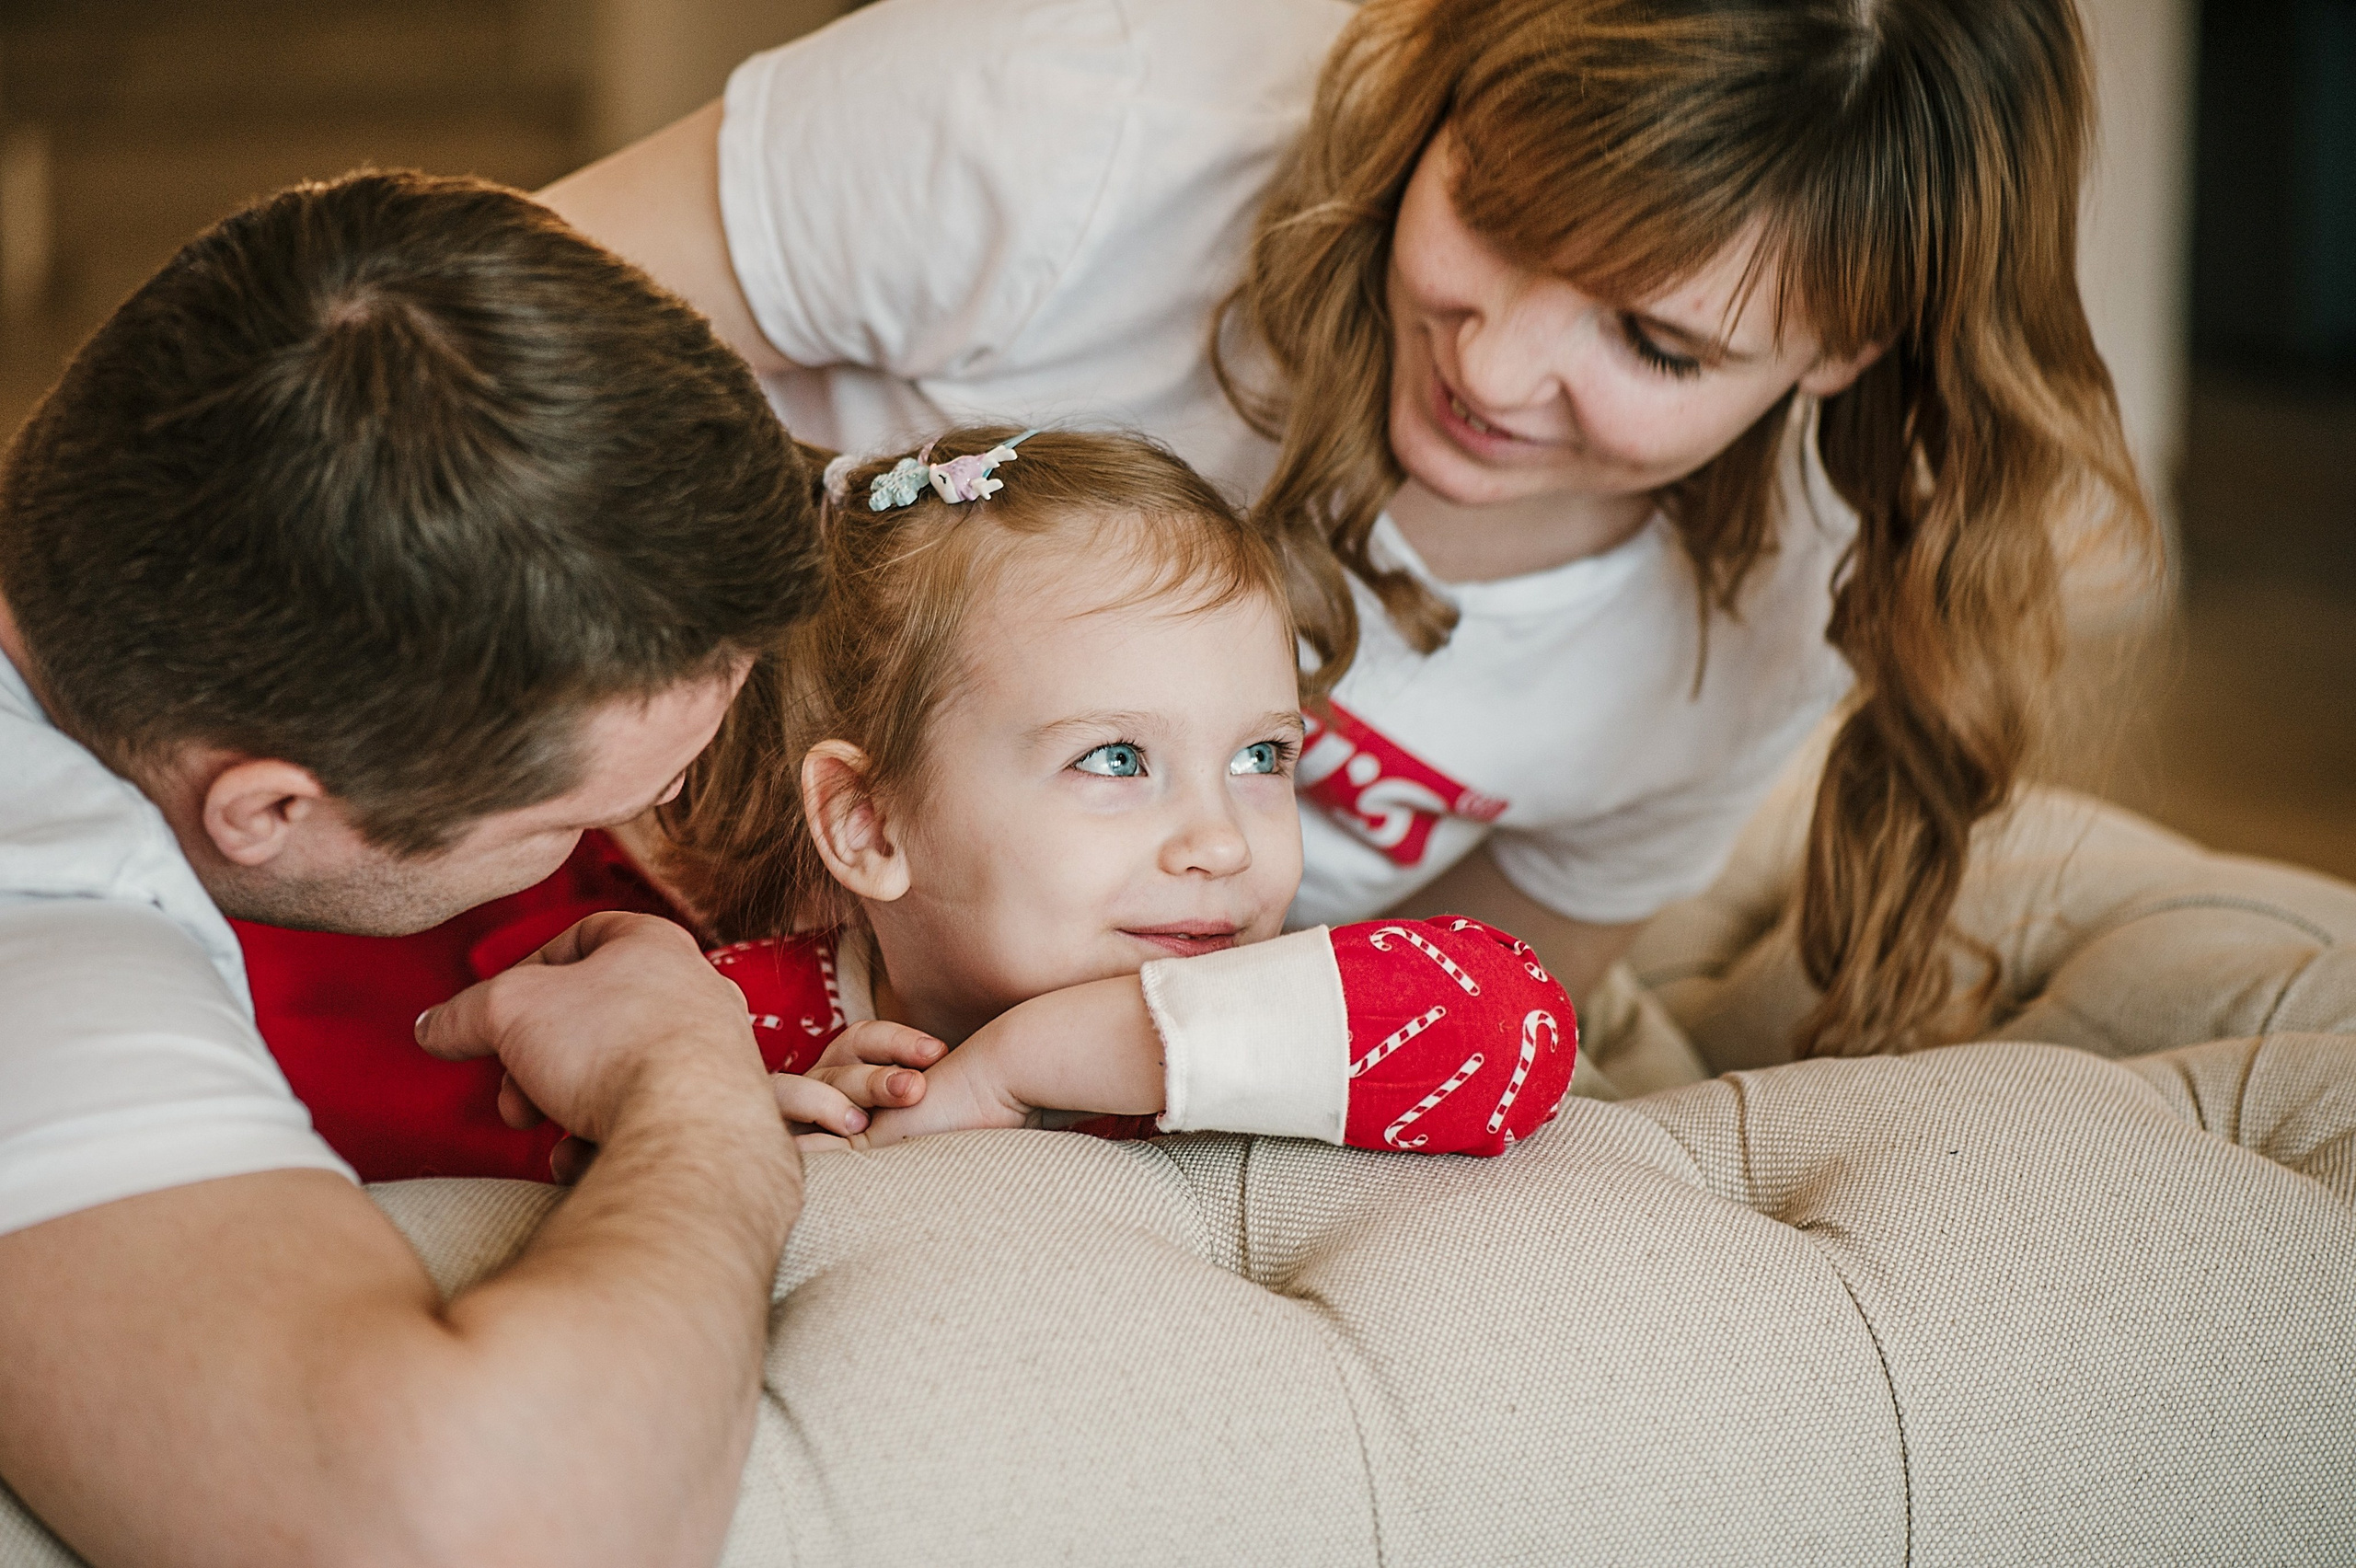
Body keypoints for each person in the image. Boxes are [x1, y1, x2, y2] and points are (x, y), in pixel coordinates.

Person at [541, 0, 2154, 1061]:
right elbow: (479, 367)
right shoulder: (1081, 112)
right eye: (1496, 217)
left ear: (1847, 351)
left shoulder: (1774, 612)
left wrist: (1080, 1062)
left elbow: (1455, 1011)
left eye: (1656, 346)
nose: (1498, 369)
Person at [0, 171, 923, 1565]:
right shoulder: (44, 936)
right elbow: (485, 1531)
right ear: (268, 808)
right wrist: (693, 1095)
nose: (609, 853)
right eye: (570, 822)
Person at [653, 425, 1578, 1156]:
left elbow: (1514, 1023)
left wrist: (1011, 1068)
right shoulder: (736, 1023)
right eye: (1117, 760)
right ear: (870, 825)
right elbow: (522, 1112)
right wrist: (706, 1142)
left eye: (1260, 758)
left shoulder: (1294, 1017)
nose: (1223, 844)